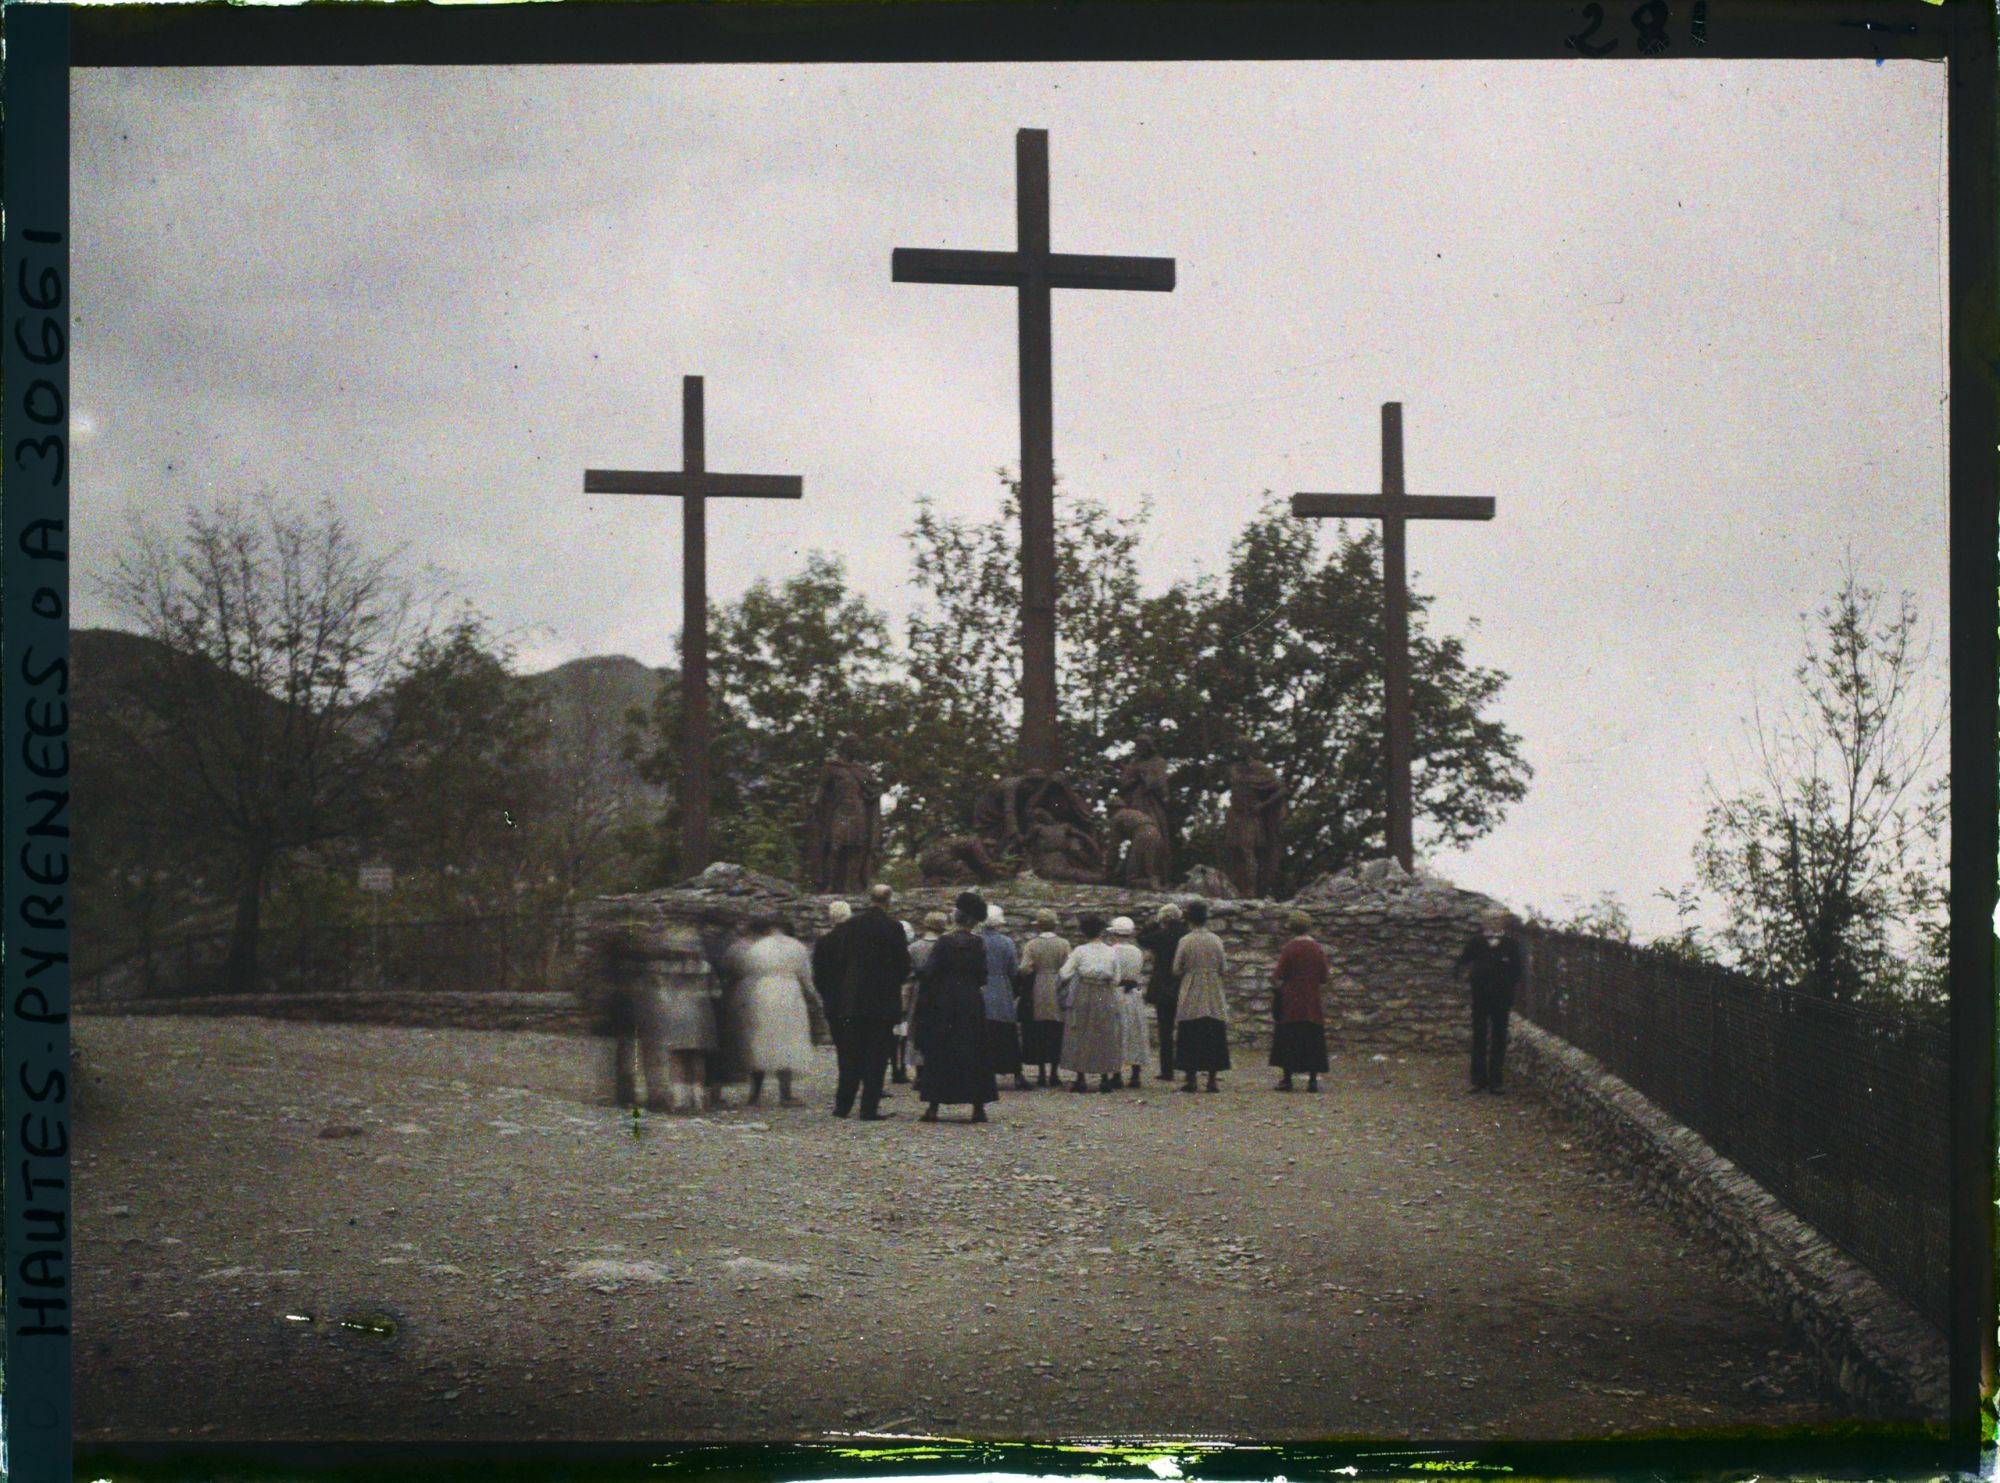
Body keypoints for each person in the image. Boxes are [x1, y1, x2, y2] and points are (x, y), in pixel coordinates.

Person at [910, 891, 999, 1122]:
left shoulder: (944, 942)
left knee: (941, 1049)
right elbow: (982, 976)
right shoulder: (978, 943)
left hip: (945, 999)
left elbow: (930, 971)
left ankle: (934, 1106)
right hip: (970, 999)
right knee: (973, 1049)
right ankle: (978, 1106)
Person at [833, 885, 910, 1120]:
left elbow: (842, 960)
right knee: (877, 1056)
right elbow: (903, 964)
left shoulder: (851, 926)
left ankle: (843, 1105)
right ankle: (868, 1107)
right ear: (889, 901)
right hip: (882, 1000)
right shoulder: (894, 928)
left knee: (851, 1054)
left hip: (854, 998)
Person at [734, 916, 817, 1107]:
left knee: (761, 1037)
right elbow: (806, 975)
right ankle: (785, 1093)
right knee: (787, 1038)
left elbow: (747, 972)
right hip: (788, 992)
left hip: (762, 991)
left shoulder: (757, 948)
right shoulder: (797, 947)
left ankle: (754, 1094)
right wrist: (813, 996)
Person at [1455, 909, 1524, 1093]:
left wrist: (1505, 983)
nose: (1493, 922)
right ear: (1483, 922)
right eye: (1489, 918)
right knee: (1479, 1036)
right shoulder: (1476, 942)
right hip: (1480, 996)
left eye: (1497, 918)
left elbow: (1517, 971)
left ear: (1503, 922)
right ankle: (1478, 1080)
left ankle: (1496, 1082)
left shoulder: (1511, 944)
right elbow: (1461, 963)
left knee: (1499, 1037)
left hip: (1502, 998)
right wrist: (1468, 976)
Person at [1057, 914, 1126, 1093]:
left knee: (1081, 1030)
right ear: (1101, 931)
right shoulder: (1111, 951)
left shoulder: (1080, 951)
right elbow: (1117, 978)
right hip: (1104, 992)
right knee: (1104, 1031)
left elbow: (1065, 973)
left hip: (1084, 991)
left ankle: (1080, 1077)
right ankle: (1104, 1077)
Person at [1172, 900, 1231, 1092]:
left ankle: (1191, 1078)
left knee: (1190, 1029)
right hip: (1212, 987)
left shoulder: (1186, 940)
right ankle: (1212, 1078)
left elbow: (1176, 968)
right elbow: (1224, 967)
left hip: (1192, 986)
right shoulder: (1216, 940)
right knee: (1213, 1029)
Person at [1269, 911, 1330, 1093]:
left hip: (1291, 1001)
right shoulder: (1317, 949)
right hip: (1312, 1001)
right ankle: (1312, 1080)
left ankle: (1287, 1079)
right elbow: (1324, 977)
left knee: (1289, 1037)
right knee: (1312, 1039)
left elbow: (1278, 974)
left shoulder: (1289, 948)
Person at [1016, 909, 1071, 1086]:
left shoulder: (1032, 944)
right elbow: (1069, 967)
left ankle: (1041, 1072)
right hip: (1057, 983)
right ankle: (1054, 1072)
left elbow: (1024, 968)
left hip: (1039, 985)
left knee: (1038, 1027)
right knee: (1056, 1027)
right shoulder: (1063, 943)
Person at [980, 904, 1030, 1091]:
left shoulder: (977, 941)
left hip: (982, 987)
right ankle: (1016, 1073)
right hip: (1001, 988)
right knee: (1006, 1033)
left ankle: (984, 1071)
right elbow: (1013, 969)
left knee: (983, 1032)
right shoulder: (1006, 942)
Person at [1137, 903, 1187, 1081]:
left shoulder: (1162, 935)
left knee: (1165, 1029)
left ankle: (1167, 1070)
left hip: (1163, 986)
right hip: (1184, 985)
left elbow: (1142, 938)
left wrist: (1154, 923)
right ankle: (1187, 1068)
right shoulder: (1185, 933)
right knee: (1185, 1027)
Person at [903, 911, 948, 1096]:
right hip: (941, 991)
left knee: (917, 1028)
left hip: (919, 992)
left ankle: (920, 1073)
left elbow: (908, 974)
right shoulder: (946, 946)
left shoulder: (914, 947)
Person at [1108, 916, 1148, 1090]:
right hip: (1133, 993)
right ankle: (1135, 1074)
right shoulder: (1137, 952)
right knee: (1135, 1030)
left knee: (1117, 1031)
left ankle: (1116, 1074)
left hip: (1116, 992)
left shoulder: (1111, 951)